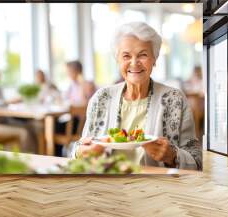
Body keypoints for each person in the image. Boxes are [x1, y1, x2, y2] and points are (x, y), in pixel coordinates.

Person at [71, 22, 202, 170]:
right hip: (106, 184)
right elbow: (79, 147)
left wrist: (172, 156)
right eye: (126, 56)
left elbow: (197, 160)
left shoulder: (175, 100)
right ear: (118, 60)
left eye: (143, 55)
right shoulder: (101, 98)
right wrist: (80, 152)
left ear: (154, 59)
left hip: (157, 186)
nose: (134, 63)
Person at [0, 66, 37, 153]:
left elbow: (4, 105)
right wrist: (9, 101)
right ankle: (28, 160)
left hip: (4, 121)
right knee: (24, 132)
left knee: (31, 127)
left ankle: (39, 156)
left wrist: (13, 102)